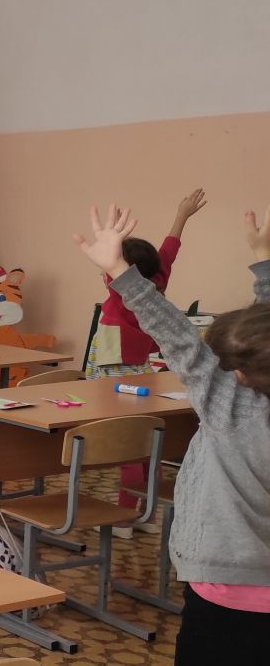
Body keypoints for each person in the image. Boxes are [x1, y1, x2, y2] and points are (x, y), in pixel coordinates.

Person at [73, 202, 270, 666]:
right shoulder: (248, 396)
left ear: (241, 375)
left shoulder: (232, 409)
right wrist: (264, 266)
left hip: (224, 607)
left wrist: (120, 274)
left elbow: (177, 338)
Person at [88, 188, 207, 534]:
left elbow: (123, 265)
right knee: (147, 443)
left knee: (128, 444)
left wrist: (111, 246)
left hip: (115, 367)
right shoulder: (156, 279)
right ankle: (148, 516)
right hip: (141, 365)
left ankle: (125, 517)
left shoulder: (120, 288)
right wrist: (182, 215)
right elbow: (169, 249)